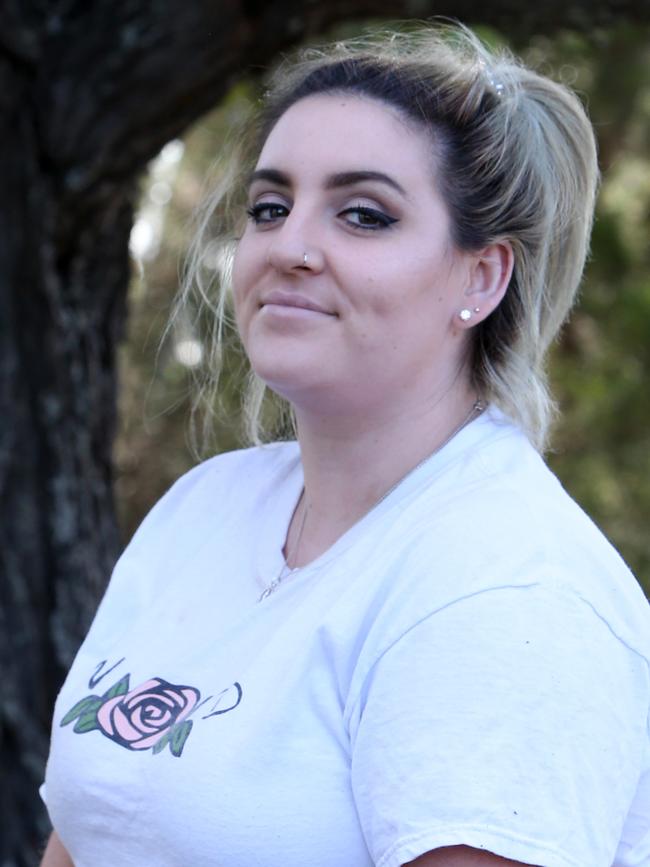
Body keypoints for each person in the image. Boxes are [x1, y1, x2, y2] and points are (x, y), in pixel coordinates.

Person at [40, 23, 650, 867]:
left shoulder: (505, 589)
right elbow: (88, 834)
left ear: (482, 276)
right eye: (270, 208)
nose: (291, 246)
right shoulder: (205, 508)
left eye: (364, 215)